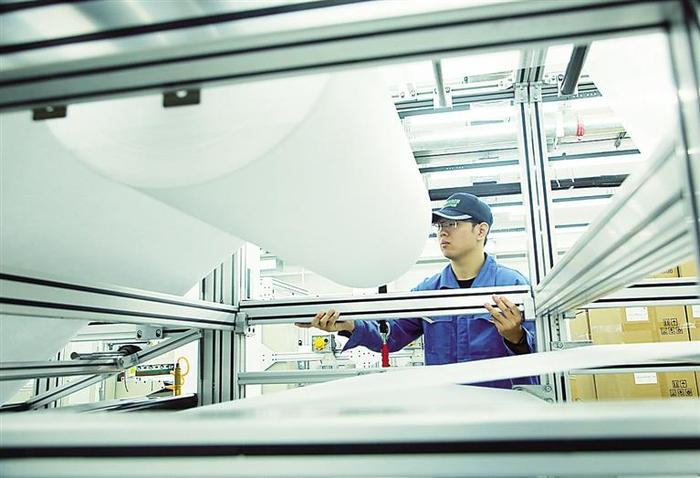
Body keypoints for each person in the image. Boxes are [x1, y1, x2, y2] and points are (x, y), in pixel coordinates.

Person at [297, 192, 537, 389]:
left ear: (481, 231)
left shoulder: (512, 286)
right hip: (447, 408)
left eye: (452, 224)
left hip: (503, 409)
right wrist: (349, 324)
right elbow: (391, 335)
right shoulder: (428, 291)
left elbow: (541, 351)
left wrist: (516, 337)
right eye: (440, 225)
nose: (443, 232)